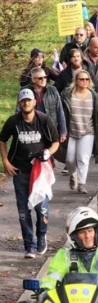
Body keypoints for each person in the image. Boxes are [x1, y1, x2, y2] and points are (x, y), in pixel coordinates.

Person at [0, 89, 60, 258]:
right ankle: (29, 245)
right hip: (20, 171)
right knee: (23, 211)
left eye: (29, 100)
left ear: (35, 102)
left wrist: (48, 152)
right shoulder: (13, 121)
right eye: (23, 101)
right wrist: (5, 161)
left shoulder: (44, 120)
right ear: (19, 103)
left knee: (41, 209)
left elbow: (55, 142)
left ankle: (41, 236)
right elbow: (2, 140)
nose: (26, 103)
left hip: (40, 171)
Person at [41, 207, 98, 291]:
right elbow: (53, 277)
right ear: (74, 236)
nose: (88, 236)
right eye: (82, 232)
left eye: (90, 231)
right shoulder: (64, 255)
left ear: (96, 232)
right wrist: (45, 288)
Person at [61, 70, 98, 194]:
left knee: (83, 159)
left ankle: (81, 183)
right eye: (81, 79)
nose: (84, 81)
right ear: (76, 80)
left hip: (88, 131)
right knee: (69, 159)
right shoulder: (68, 94)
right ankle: (73, 174)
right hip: (71, 131)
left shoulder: (94, 96)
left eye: (87, 79)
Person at [22, 67, 67, 145]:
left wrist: (63, 131)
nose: (43, 79)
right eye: (40, 78)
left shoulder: (53, 90)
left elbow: (60, 111)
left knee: (49, 154)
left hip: (50, 129)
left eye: (45, 77)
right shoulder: (24, 91)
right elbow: (19, 111)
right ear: (33, 80)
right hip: (31, 129)